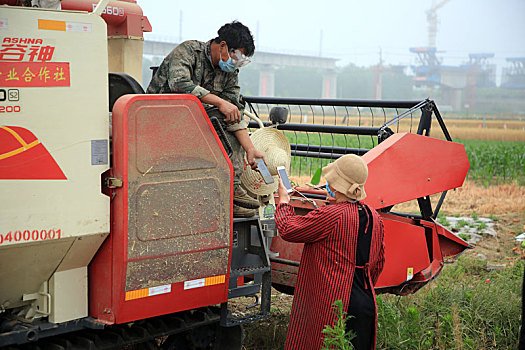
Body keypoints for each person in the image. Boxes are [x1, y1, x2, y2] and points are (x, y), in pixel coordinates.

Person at [147, 21, 264, 217]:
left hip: (196, 121)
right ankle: (224, 191)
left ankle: (231, 190)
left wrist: (250, 149)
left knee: (229, 115)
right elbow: (179, 84)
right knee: (221, 112)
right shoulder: (189, 51)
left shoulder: (229, 72)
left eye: (241, 61)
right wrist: (219, 102)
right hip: (162, 116)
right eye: (236, 57)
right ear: (224, 46)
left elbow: (233, 109)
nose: (235, 64)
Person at [274, 154, 385, 350]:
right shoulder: (374, 217)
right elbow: (379, 262)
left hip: (335, 305)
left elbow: (288, 229)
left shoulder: (332, 215)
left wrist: (283, 202)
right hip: (366, 302)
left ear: (335, 186)